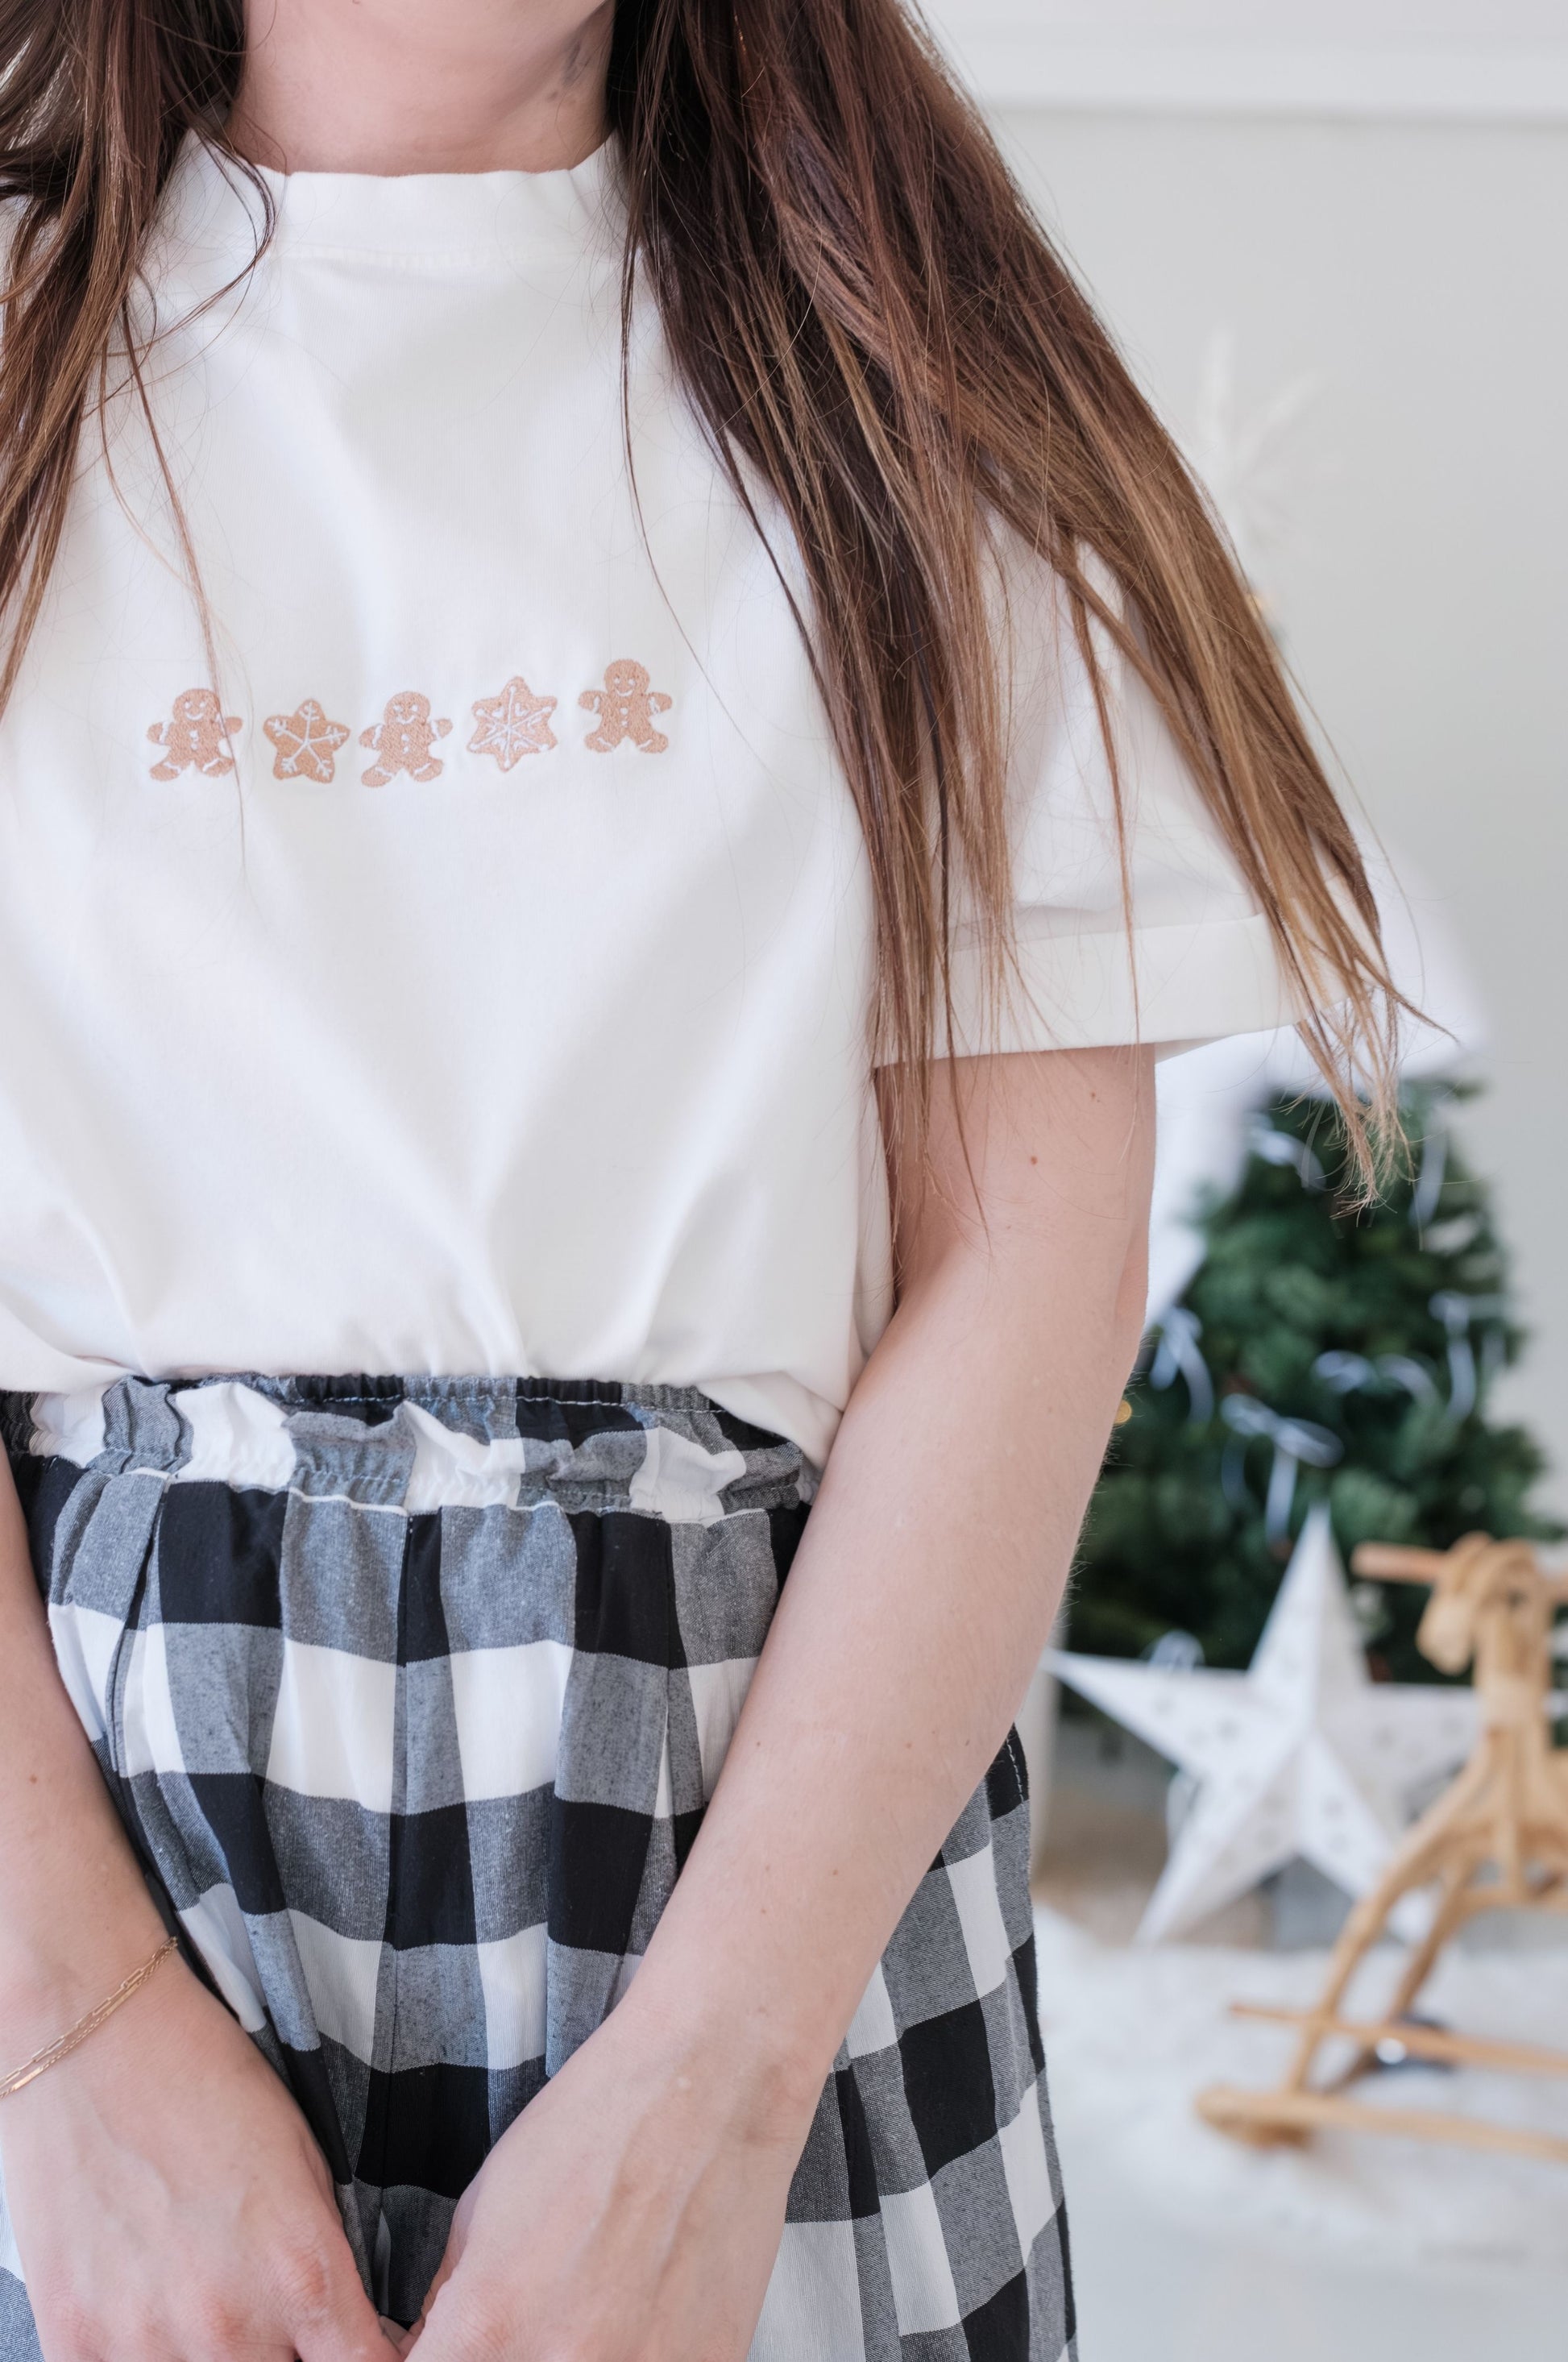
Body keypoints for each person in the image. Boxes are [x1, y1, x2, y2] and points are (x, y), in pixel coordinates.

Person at [0, 3, 1398, 2357]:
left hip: (753, 1879)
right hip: (72, 1848)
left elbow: (1016, 1266)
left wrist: (719, 2078)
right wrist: (62, 2031)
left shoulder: (909, 396)